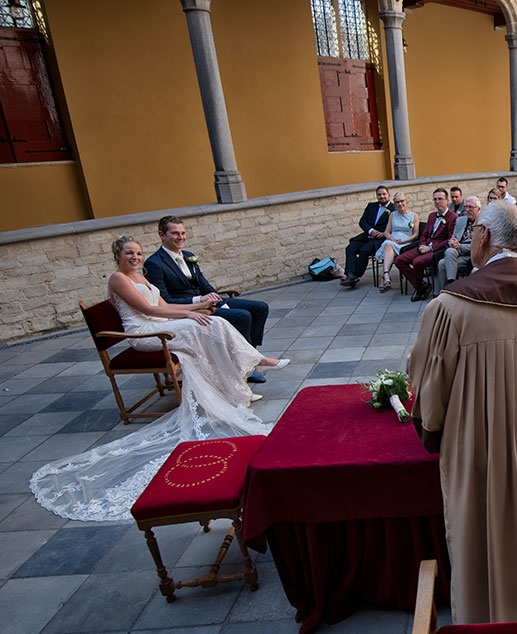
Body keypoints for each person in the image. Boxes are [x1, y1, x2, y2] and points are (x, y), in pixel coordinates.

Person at [406, 201, 517, 625]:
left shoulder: (451, 307)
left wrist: (432, 432)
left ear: (484, 236)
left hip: (480, 458)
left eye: (473, 231)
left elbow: (430, 400)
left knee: (483, 546)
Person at [30, 237, 287, 523]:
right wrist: (191, 313)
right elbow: (150, 312)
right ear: (117, 255)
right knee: (207, 327)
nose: (135, 257)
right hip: (145, 334)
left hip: (160, 325)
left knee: (212, 322)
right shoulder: (118, 279)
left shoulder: (140, 276)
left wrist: (198, 308)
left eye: (138, 253)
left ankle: (240, 374)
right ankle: (252, 363)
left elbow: (163, 304)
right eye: (129, 253)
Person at [144, 216, 271, 383]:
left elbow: (204, 284)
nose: (181, 237)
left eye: (183, 233)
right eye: (175, 233)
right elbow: (165, 300)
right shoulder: (154, 263)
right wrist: (199, 300)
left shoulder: (189, 256)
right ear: (162, 234)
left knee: (260, 308)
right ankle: (245, 366)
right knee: (242, 316)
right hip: (190, 309)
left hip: (208, 302)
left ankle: (249, 357)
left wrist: (219, 300)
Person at [395, 188, 457, 301]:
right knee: (399, 260)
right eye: (435, 199)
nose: (437, 202)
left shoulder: (453, 217)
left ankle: (419, 289)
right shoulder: (432, 215)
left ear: (447, 201)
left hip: (437, 250)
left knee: (417, 262)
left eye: (440, 199)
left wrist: (430, 248)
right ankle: (422, 285)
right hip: (424, 246)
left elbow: (449, 239)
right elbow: (425, 234)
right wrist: (422, 245)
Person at [342, 185, 393, 288]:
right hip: (367, 236)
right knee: (350, 248)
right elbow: (362, 221)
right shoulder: (371, 206)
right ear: (376, 196)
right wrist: (370, 230)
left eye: (384, 194)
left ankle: (356, 275)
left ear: (388, 195)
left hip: (380, 239)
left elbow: (395, 226)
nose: (382, 196)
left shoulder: (393, 209)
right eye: (379, 195)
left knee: (364, 251)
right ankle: (351, 275)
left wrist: (384, 233)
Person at [434, 196, 480, 296]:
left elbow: (480, 247)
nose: (467, 210)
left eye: (471, 207)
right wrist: (452, 241)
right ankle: (450, 288)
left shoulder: (483, 223)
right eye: (466, 207)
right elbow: (454, 236)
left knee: (442, 264)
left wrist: (460, 247)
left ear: (478, 209)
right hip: (456, 253)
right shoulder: (460, 220)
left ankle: (441, 293)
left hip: (471, 255)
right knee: (449, 252)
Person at [375, 192, 419, 292]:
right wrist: (392, 239)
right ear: (394, 204)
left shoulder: (414, 216)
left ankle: (384, 277)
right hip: (392, 241)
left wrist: (403, 241)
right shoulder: (393, 215)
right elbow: (386, 232)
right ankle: (386, 275)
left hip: (406, 244)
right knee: (388, 245)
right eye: (397, 202)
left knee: (388, 247)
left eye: (402, 201)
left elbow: (415, 235)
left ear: (406, 202)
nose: (400, 204)